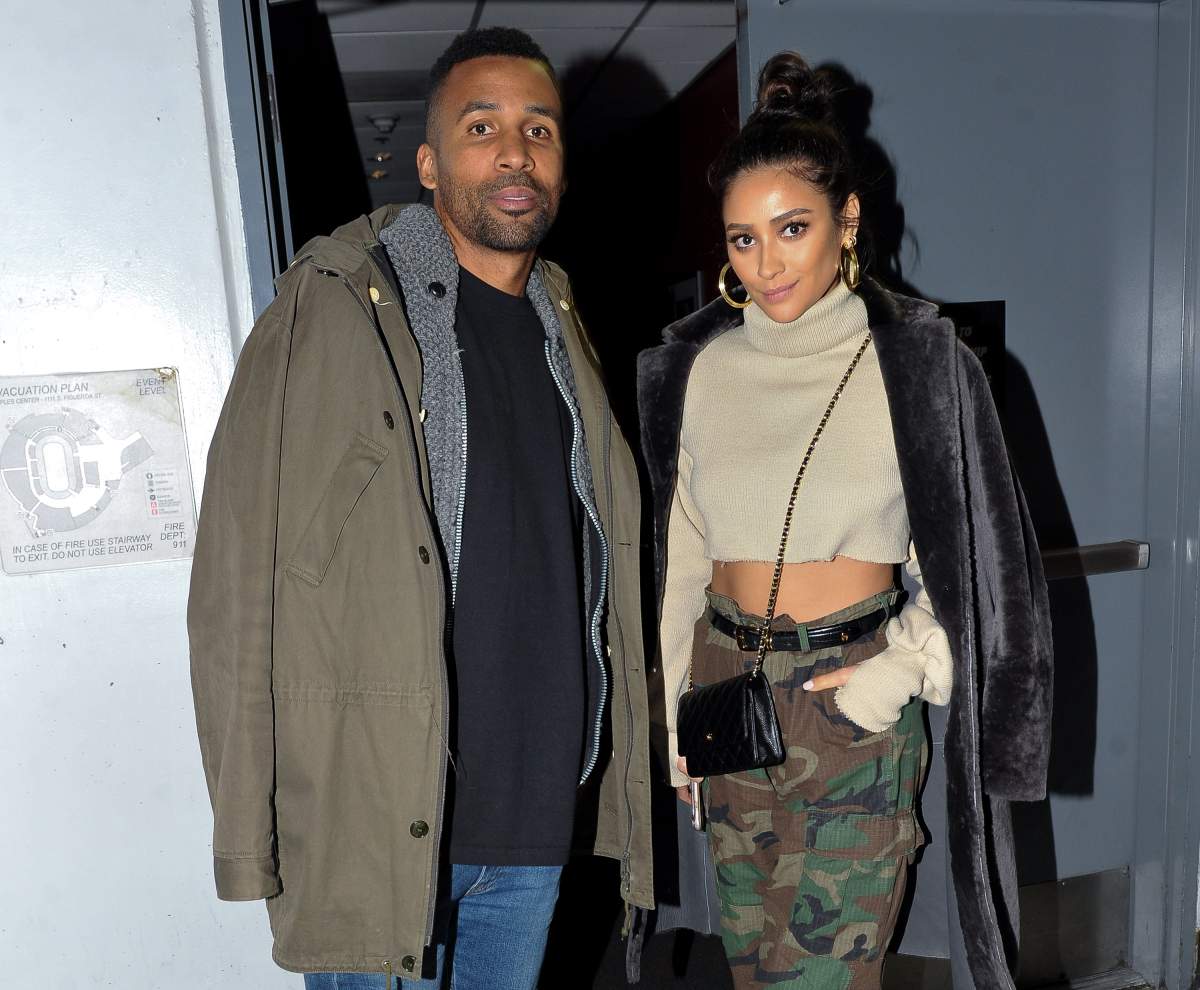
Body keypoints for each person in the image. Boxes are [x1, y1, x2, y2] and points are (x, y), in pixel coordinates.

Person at [188, 27, 653, 990]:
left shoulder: (567, 331)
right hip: (380, 808)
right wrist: (244, 821)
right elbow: (236, 577)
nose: (516, 150)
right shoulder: (331, 311)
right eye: (483, 127)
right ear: (430, 165)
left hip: (533, 818)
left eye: (540, 129)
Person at [637, 53, 1052, 989]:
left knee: (823, 981)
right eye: (742, 239)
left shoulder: (918, 365)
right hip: (723, 694)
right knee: (752, 973)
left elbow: (981, 568)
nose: (765, 261)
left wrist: (899, 671)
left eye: (791, 228)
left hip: (848, 702)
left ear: (847, 220)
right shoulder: (697, 371)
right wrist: (670, 717)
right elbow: (680, 561)